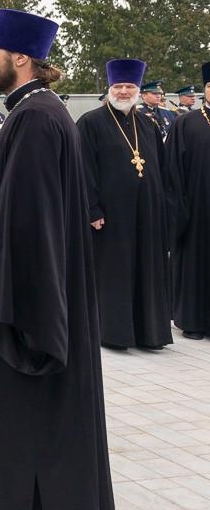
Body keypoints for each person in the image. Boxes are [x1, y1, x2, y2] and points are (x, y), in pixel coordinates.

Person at [0, 9, 113, 510]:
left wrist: (15, 320)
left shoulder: (35, 118)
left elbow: (31, 228)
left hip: (24, 312)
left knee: (21, 421)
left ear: (21, 58)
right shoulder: (35, 111)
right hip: (37, 299)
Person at [76, 59, 170, 350]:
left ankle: (148, 333)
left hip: (147, 213)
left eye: (130, 86)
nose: (125, 91)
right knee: (115, 272)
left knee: (146, 269)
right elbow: (83, 170)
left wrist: (163, 207)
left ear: (138, 90)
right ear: (110, 88)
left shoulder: (148, 124)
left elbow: (161, 170)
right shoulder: (90, 122)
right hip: (111, 216)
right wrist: (92, 209)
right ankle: (114, 333)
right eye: (119, 86)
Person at [168, 61, 210, 339]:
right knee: (197, 263)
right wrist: (178, 209)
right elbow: (172, 169)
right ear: (206, 90)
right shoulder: (187, 123)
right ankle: (194, 321)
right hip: (197, 209)